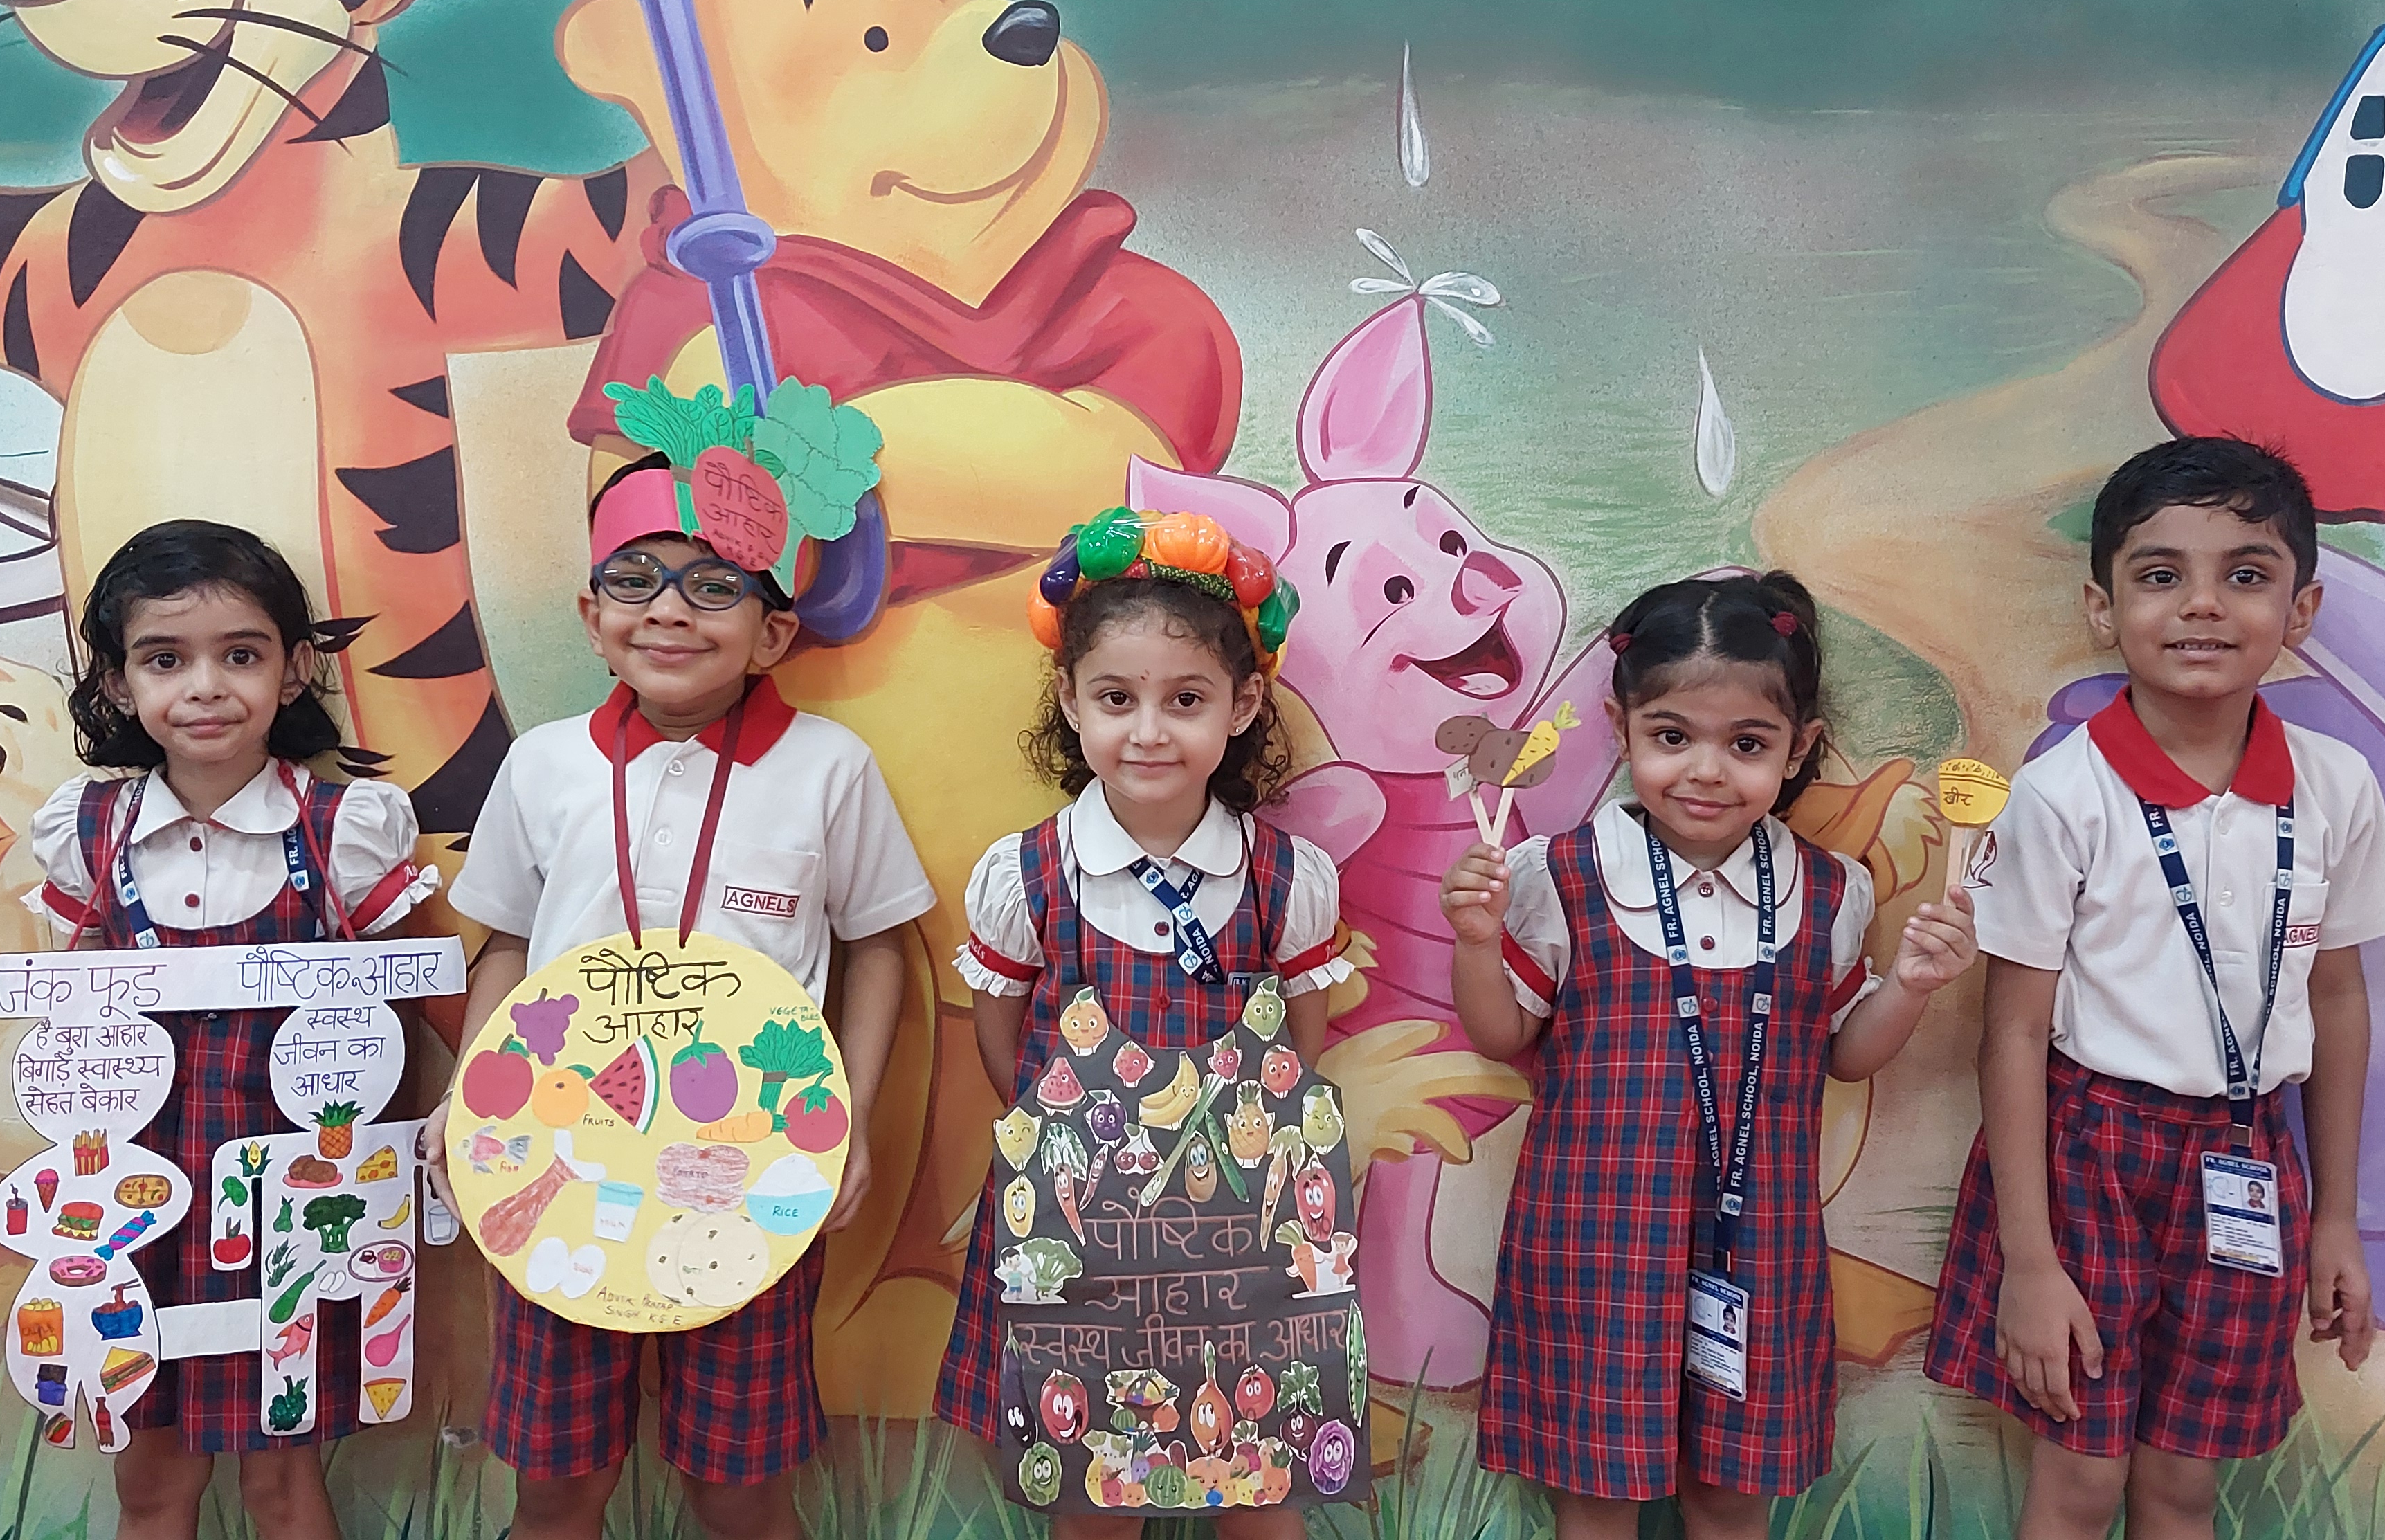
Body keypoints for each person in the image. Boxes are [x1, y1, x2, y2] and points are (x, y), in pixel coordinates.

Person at [433, 452, 935, 1540]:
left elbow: (878, 949)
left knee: (738, 1489)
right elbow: (508, 946)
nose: (668, 610)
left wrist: (845, 1120)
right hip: (556, 1170)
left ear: (775, 632)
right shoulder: (543, 765)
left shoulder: (828, 767)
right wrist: (470, 1100)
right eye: (635, 578)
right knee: (558, 1485)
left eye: (714, 586)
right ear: (591, 614)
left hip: (754, 1174)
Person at [1923, 438, 2385, 1540]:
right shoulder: (2061, 793)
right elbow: (2013, 1034)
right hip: (2089, 1158)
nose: (2203, 605)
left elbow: (2340, 1003)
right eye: (2161, 574)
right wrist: (2031, 1263)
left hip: (2251, 1157)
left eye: (2246, 574)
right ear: (2104, 609)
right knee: (2081, 1484)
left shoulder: (2337, 787)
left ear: (2301, 610)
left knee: (2185, 1489)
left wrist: (2335, 1218)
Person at [1440, 571, 1980, 1540]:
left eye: (1748, 745)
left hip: (1759, 1247)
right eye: (1672, 737)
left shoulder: (1830, 892)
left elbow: (1846, 1056)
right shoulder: (1561, 875)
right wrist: (1477, 942)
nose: (1706, 771)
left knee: (1732, 1497)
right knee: (1597, 1495)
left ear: (1799, 747)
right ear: (1623, 729)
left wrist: (1910, 985)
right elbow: (1503, 1036)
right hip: (1593, 1246)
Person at [933, 507, 1352, 1540]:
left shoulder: (1288, 879)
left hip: (1246, 1244)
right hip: (1075, 1236)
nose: (1150, 731)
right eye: (1117, 698)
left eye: (1187, 699)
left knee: (1264, 1497)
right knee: (1092, 1502)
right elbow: (1004, 1048)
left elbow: (1299, 1053)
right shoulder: (1024, 876)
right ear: (1070, 700)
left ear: (1243, 704)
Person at [32, 520, 440, 1540]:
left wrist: (424, 1150)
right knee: (151, 1482)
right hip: (135, 1207)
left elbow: (417, 1009)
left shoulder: (346, 830)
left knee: (281, 1481)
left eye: (241, 655)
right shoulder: (88, 833)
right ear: (119, 683)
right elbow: (73, 1021)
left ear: (294, 669)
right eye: (165, 659)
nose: (205, 687)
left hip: (296, 1204)